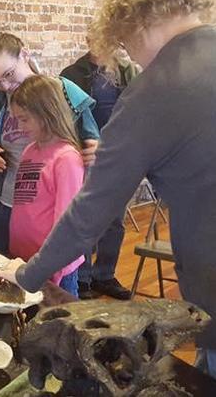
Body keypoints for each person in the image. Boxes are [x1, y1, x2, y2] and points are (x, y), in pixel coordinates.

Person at [0, 0, 216, 396]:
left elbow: (91, 212)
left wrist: (27, 276)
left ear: (131, 26)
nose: (129, 56)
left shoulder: (156, 88)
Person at [0, 32, 100, 253]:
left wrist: (97, 150)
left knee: (62, 278)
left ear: (24, 55)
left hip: (57, 208)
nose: (6, 85)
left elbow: (94, 140)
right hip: (7, 205)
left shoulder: (63, 91)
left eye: (9, 74)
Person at [60, 47, 138, 300]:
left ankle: (105, 275)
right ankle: (82, 277)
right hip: (86, 155)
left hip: (119, 154)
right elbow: (67, 117)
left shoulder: (127, 72)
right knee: (86, 218)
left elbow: (137, 112)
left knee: (115, 221)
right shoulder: (72, 74)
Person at [9, 75, 85, 297]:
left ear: (46, 114)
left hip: (54, 267)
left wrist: (53, 267)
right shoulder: (29, 150)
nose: (19, 127)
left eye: (24, 119)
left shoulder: (67, 158)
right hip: (26, 259)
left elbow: (66, 222)